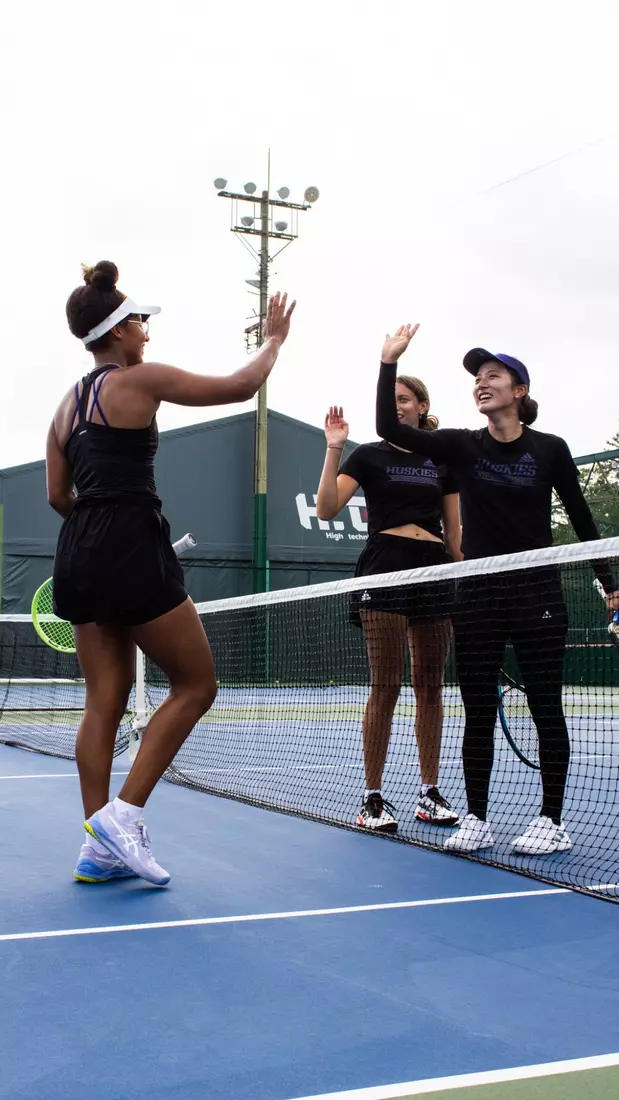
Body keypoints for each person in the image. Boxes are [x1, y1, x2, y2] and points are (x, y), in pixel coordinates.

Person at [47, 260, 295, 885]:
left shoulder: (64, 407)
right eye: (140, 322)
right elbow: (241, 385)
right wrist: (273, 340)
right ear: (117, 330)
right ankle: (124, 817)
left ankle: (98, 845)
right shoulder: (141, 378)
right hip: (130, 540)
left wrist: (96, 533)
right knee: (196, 685)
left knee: (103, 701)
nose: (147, 332)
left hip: (78, 548)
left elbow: (57, 496)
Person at [375, 324, 619, 855]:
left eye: (493, 376)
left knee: (546, 707)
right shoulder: (461, 445)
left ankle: (552, 821)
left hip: (538, 595)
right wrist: (388, 361)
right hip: (479, 597)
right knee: (478, 710)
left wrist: (610, 583)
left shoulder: (550, 450)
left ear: (519, 391)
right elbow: (387, 426)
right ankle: (478, 817)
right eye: (477, 378)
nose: (481, 383)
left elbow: (582, 520)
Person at [316, 375, 462, 835]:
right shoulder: (367, 455)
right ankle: (372, 797)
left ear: (422, 406)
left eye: (405, 399)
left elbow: (454, 535)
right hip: (385, 567)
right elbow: (326, 509)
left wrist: (468, 577)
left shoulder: (441, 458)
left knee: (431, 687)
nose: (397, 406)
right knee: (386, 684)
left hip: (433, 569)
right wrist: (334, 448)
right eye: (391, 400)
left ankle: (429, 792)